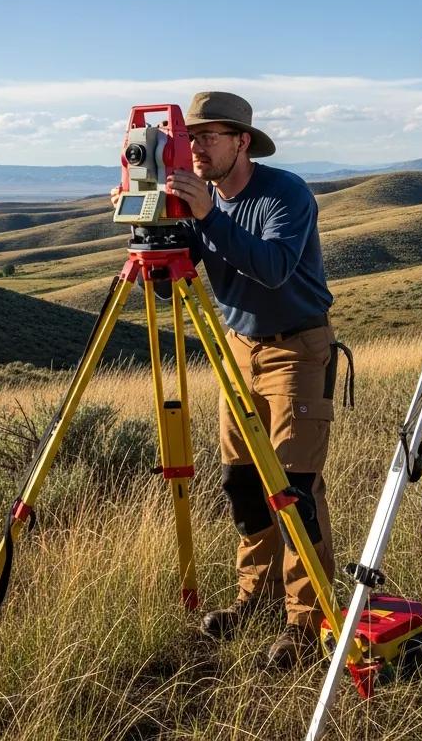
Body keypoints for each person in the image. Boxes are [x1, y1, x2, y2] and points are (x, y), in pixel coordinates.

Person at [160, 91, 336, 670]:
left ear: (242, 142)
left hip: (296, 351)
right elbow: (166, 286)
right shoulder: (199, 202)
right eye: (193, 137)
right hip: (237, 351)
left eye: (211, 136)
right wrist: (155, 226)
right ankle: (253, 598)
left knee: (294, 490)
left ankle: (306, 623)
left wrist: (209, 216)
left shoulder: (284, 193)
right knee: (241, 482)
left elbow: (273, 268)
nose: (199, 147)